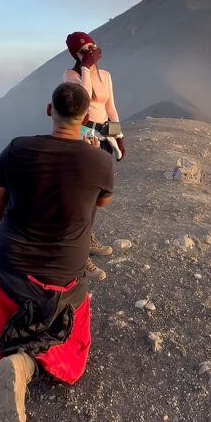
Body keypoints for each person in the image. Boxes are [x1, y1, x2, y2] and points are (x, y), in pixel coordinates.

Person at [0, 82, 114, 422]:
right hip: (64, 279)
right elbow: (102, 202)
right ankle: (27, 364)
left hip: (10, 274)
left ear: (49, 110)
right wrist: (89, 156)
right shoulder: (99, 161)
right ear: (84, 118)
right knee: (72, 349)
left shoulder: (16, 150)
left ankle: (11, 355)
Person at [64, 31, 125, 282]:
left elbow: (110, 106)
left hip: (102, 137)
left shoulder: (107, 75)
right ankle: (79, 254)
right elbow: (83, 100)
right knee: (82, 196)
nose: (89, 52)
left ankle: (87, 239)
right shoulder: (71, 75)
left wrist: (118, 134)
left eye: (92, 47)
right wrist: (86, 68)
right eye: (83, 51)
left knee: (98, 194)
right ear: (75, 55)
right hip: (82, 137)